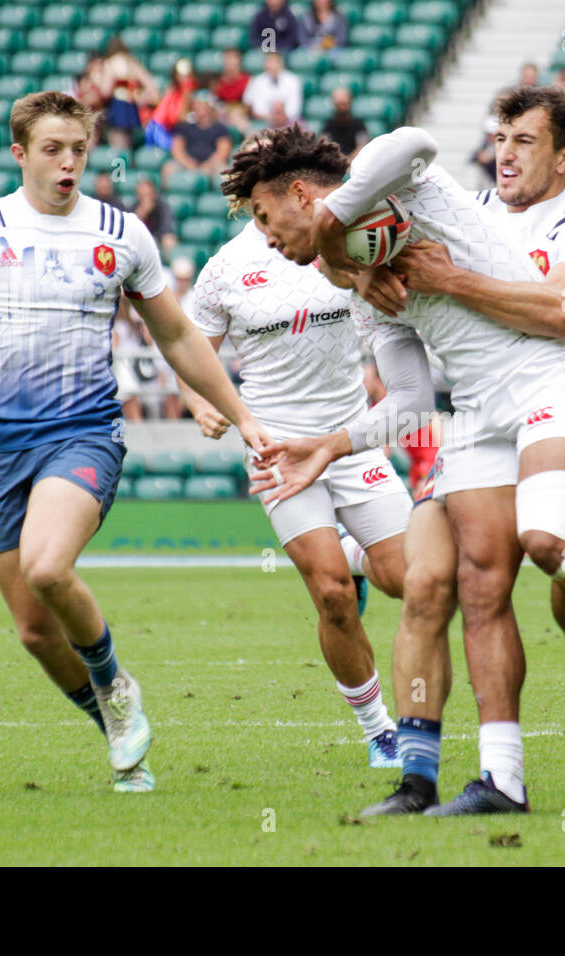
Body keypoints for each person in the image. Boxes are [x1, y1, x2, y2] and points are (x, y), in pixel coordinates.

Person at [227, 121, 565, 816]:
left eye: (265, 217)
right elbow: (411, 402)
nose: (264, 236)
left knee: (545, 537)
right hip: (476, 413)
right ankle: (499, 781)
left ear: (300, 195)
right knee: (472, 587)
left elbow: (415, 138)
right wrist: (329, 444)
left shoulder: (393, 185)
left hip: (550, 383)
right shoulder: (355, 281)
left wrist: (333, 220)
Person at [0, 91, 275, 795]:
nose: (68, 163)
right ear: (20, 153)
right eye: (52, 149)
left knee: (48, 569)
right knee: (33, 631)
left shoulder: (122, 232)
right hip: (0, 448)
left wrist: (238, 412)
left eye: (78, 149)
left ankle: (116, 688)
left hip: (83, 432)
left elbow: (175, 334)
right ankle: (117, 728)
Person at [182, 184, 414, 766]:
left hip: (351, 442)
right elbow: (189, 353)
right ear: (250, 199)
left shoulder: (339, 242)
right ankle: (379, 729)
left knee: (406, 580)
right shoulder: (224, 270)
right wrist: (199, 403)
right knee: (332, 595)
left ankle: (356, 554)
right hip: (279, 450)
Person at [90, 36, 158, 149]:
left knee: (119, 147)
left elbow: (105, 91)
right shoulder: (132, 63)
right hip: (132, 108)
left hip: (118, 108)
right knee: (131, 146)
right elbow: (151, 86)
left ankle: (120, 167)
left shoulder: (110, 63)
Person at [162, 93, 233, 185]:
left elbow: (223, 151)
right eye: (197, 105)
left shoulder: (220, 128)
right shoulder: (185, 127)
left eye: (203, 105)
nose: (199, 108)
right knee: (169, 168)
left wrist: (207, 165)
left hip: (211, 164)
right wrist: (188, 163)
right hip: (188, 162)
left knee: (224, 171)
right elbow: (177, 149)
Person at [144, 57, 199, 150]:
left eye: (187, 75)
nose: (184, 78)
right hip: (159, 129)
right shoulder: (175, 92)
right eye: (180, 75)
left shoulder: (187, 91)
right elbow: (179, 116)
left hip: (170, 129)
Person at [242, 52, 303, 125]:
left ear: (282, 63)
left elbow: (294, 110)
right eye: (269, 62)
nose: (272, 65)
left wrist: (280, 113)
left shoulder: (294, 80)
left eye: (276, 62)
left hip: (289, 122)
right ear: (265, 64)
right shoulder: (257, 81)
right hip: (264, 122)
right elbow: (257, 109)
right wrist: (272, 116)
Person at [132, 177, 177, 254]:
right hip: (140, 240)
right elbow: (131, 231)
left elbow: (166, 228)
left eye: (148, 195)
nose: (146, 199)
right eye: (142, 195)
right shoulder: (134, 208)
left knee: (168, 240)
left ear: (153, 194)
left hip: (158, 238)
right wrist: (143, 213)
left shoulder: (162, 206)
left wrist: (153, 238)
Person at [321, 87, 368, 160]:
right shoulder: (328, 125)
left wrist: (348, 161)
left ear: (350, 102)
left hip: (353, 163)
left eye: (344, 104)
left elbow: (362, 147)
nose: (341, 108)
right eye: (338, 104)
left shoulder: (359, 125)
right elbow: (324, 146)